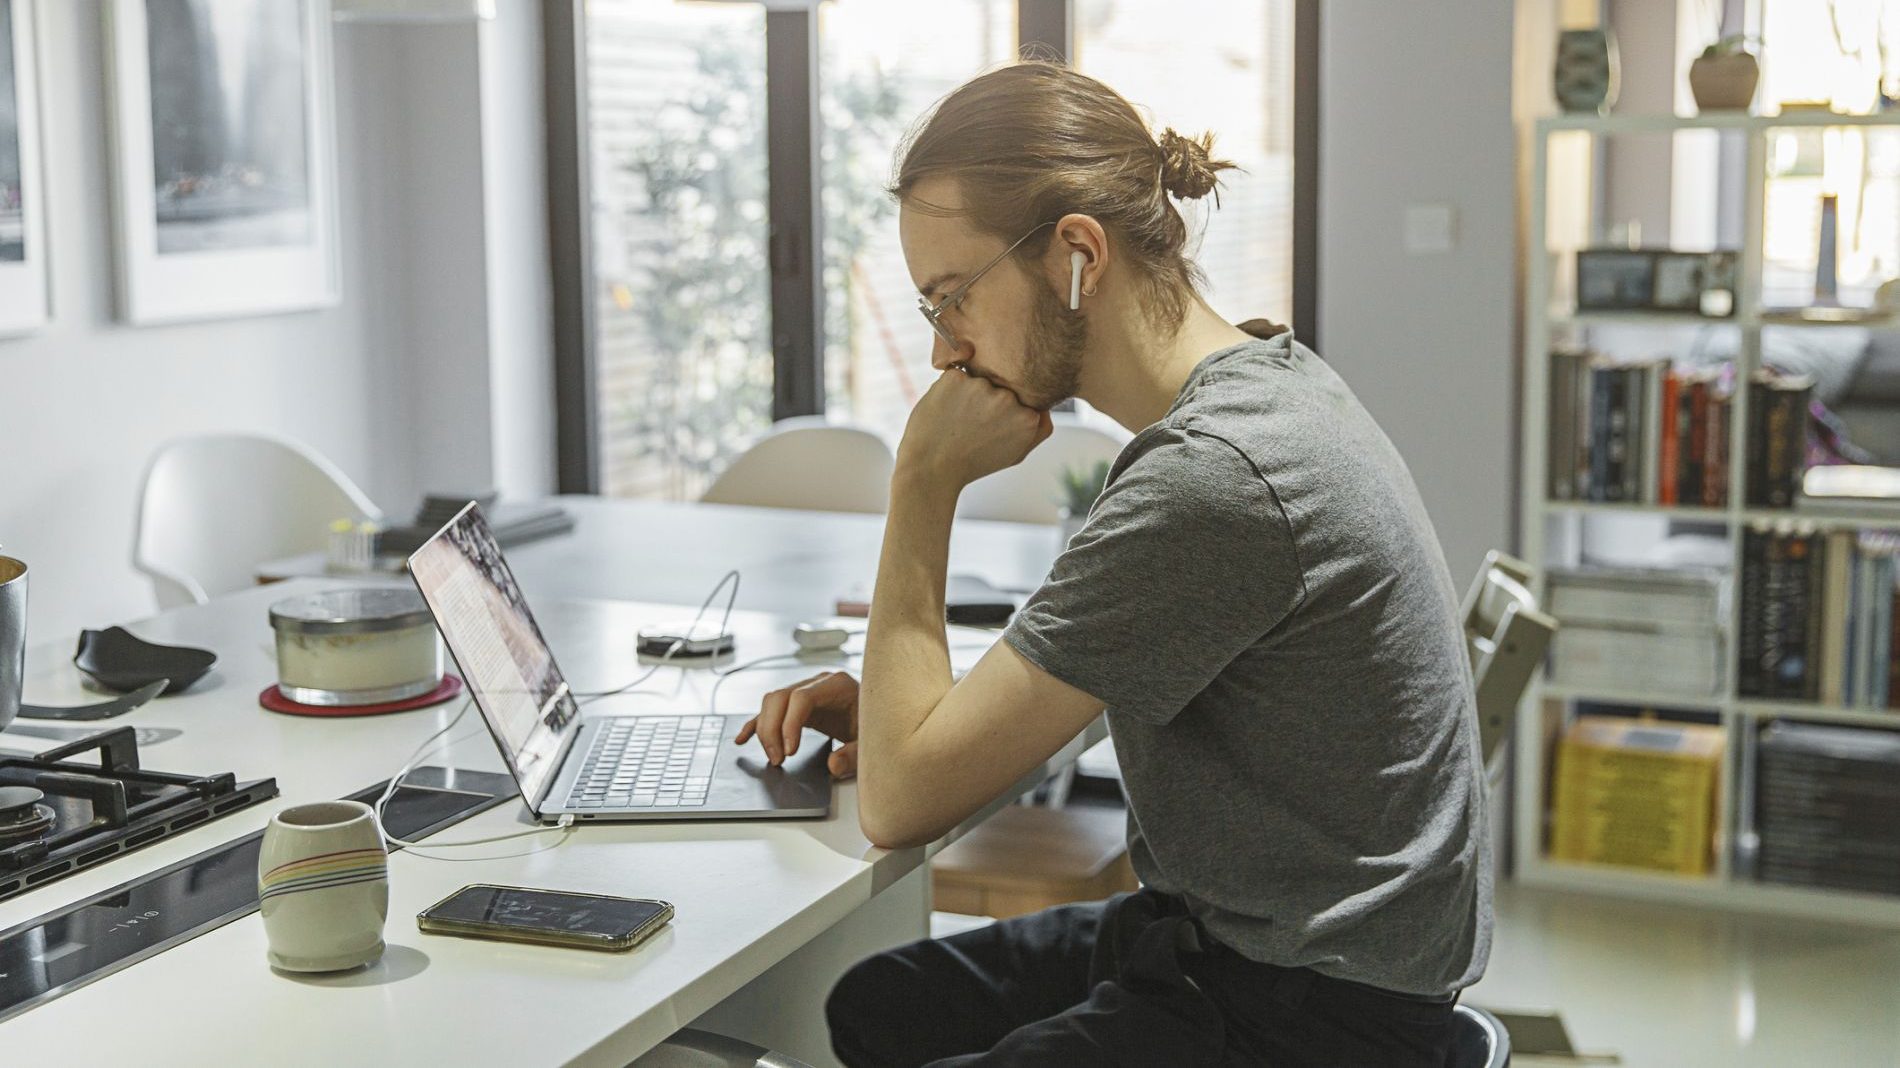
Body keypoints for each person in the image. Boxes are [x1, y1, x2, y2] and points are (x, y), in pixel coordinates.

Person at [735, 60, 1490, 1067]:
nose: (941, 353)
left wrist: (920, 483)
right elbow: (960, 742)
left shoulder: (1213, 480)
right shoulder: (1272, 377)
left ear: (1076, 254)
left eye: (950, 299)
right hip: (1263, 951)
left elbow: (904, 802)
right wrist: (905, 718)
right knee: (883, 1004)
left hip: (1305, 1012)